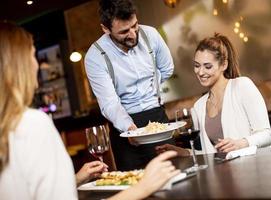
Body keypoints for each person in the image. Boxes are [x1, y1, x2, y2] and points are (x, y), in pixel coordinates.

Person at [0, 21, 180, 200]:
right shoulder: (33, 123)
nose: (37, 65)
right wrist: (143, 187)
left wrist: (76, 179)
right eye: (33, 56)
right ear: (19, 66)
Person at [84, 0, 175, 170]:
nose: (133, 34)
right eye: (124, 31)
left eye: (135, 25)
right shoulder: (95, 56)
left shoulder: (151, 35)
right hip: (124, 125)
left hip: (157, 117)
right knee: (134, 185)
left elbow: (167, 68)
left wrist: (150, 88)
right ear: (105, 29)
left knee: (171, 174)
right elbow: (109, 102)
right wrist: (129, 128)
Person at [156, 33, 271, 156]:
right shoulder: (199, 107)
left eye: (207, 66)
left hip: (254, 167)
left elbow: (267, 135)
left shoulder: (242, 86)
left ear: (224, 65)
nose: (200, 72)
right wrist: (183, 152)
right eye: (197, 66)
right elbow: (210, 154)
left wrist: (241, 143)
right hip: (222, 173)